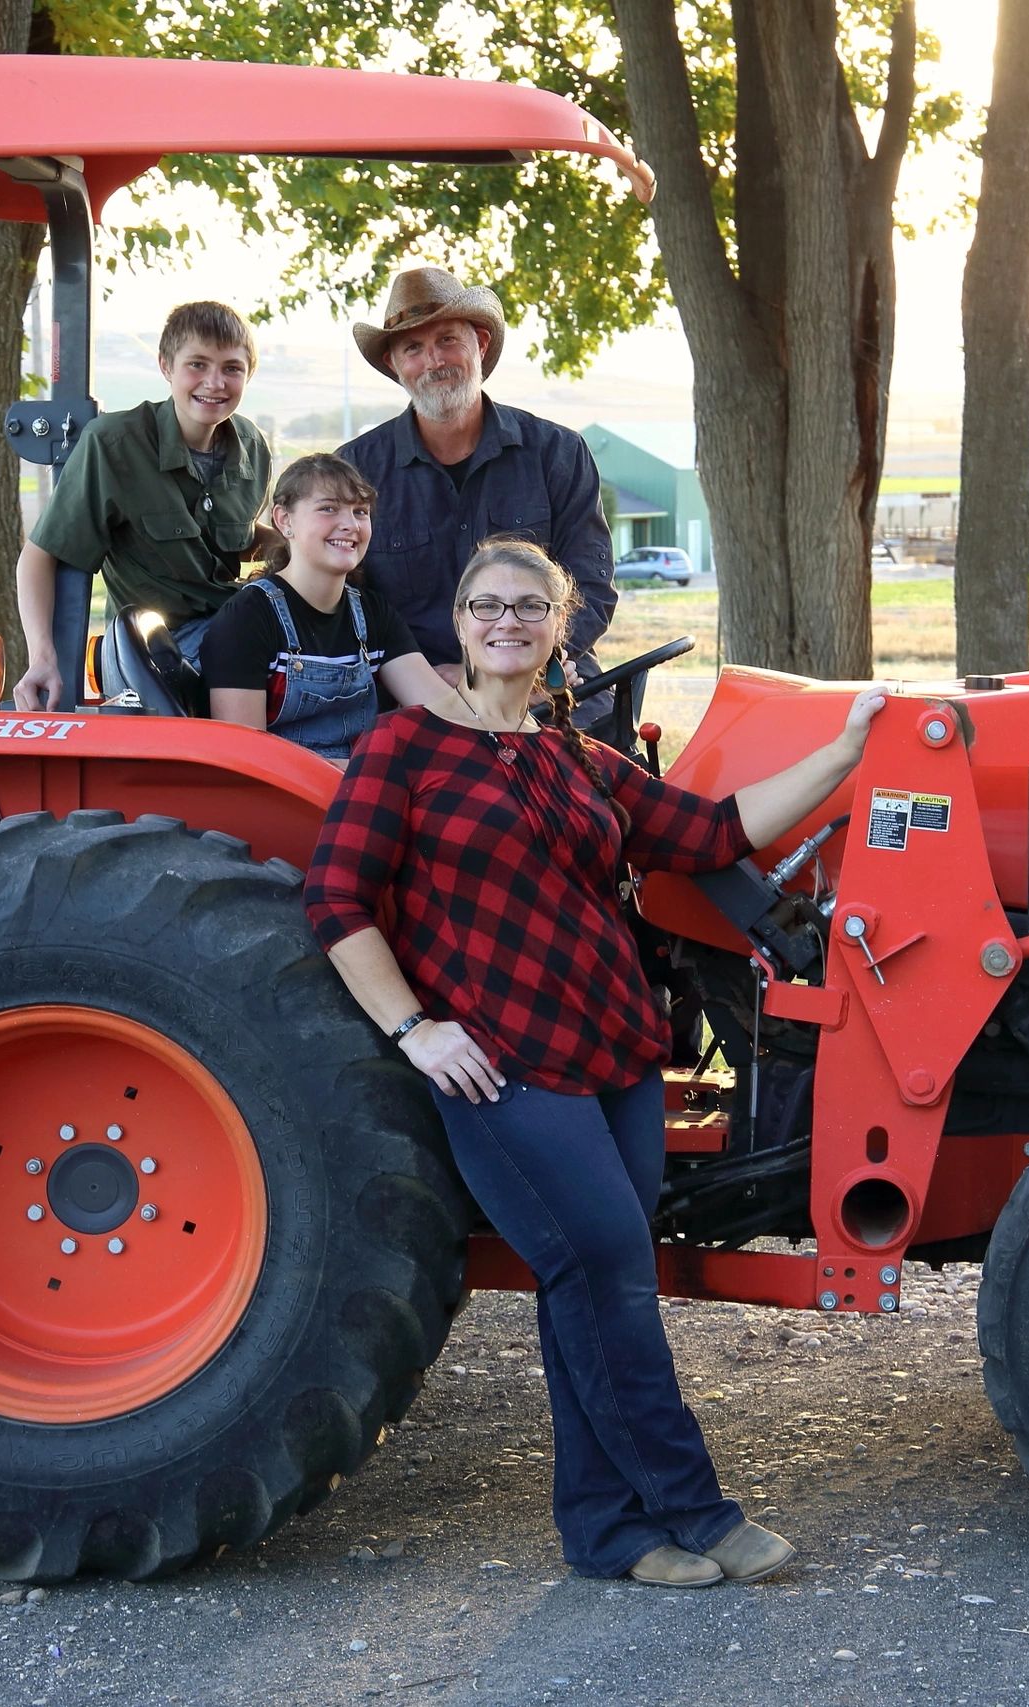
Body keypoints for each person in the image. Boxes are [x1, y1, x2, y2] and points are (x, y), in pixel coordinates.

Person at [304, 536, 887, 1590]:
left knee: (583, 1283)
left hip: (615, 1051)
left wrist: (846, 749)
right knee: (610, 1270)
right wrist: (413, 1029)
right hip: (502, 1061)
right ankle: (694, 1510)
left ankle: (606, 1532)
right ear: (460, 621)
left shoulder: (577, 757)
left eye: (530, 606)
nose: (507, 622)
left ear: (558, 625)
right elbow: (335, 900)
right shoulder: (404, 748)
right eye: (487, 604)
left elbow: (712, 834)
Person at [338, 267, 617, 693]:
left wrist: (522, 667)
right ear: (393, 364)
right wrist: (421, 680)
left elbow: (589, 585)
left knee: (600, 758)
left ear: (480, 344)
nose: (434, 360)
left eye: (448, 340)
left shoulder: (557, 453)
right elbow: (342, 602)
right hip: (413, 697)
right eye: (413, 347)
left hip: (545, 685)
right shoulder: (354, 472)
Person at [11, 301, 275, 710]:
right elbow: (41, 554)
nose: (215, 382)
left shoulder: (252, 448)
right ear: (166, 366)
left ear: (249, 374)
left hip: (231, 625)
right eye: (198, 365)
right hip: (155, 645)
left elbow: (240, 536)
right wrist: (43, 657)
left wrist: (301, 550)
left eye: (231, 369)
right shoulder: (114, 445)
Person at [202, 454, 455, 764]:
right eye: (328, 508)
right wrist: (370, 772)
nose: (350, 525)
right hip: (285, 800)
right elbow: (244, 759)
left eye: (360, 512)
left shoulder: (372, 613)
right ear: (284, 520)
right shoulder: (248, 617)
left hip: (368, 792)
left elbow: (446, 716)